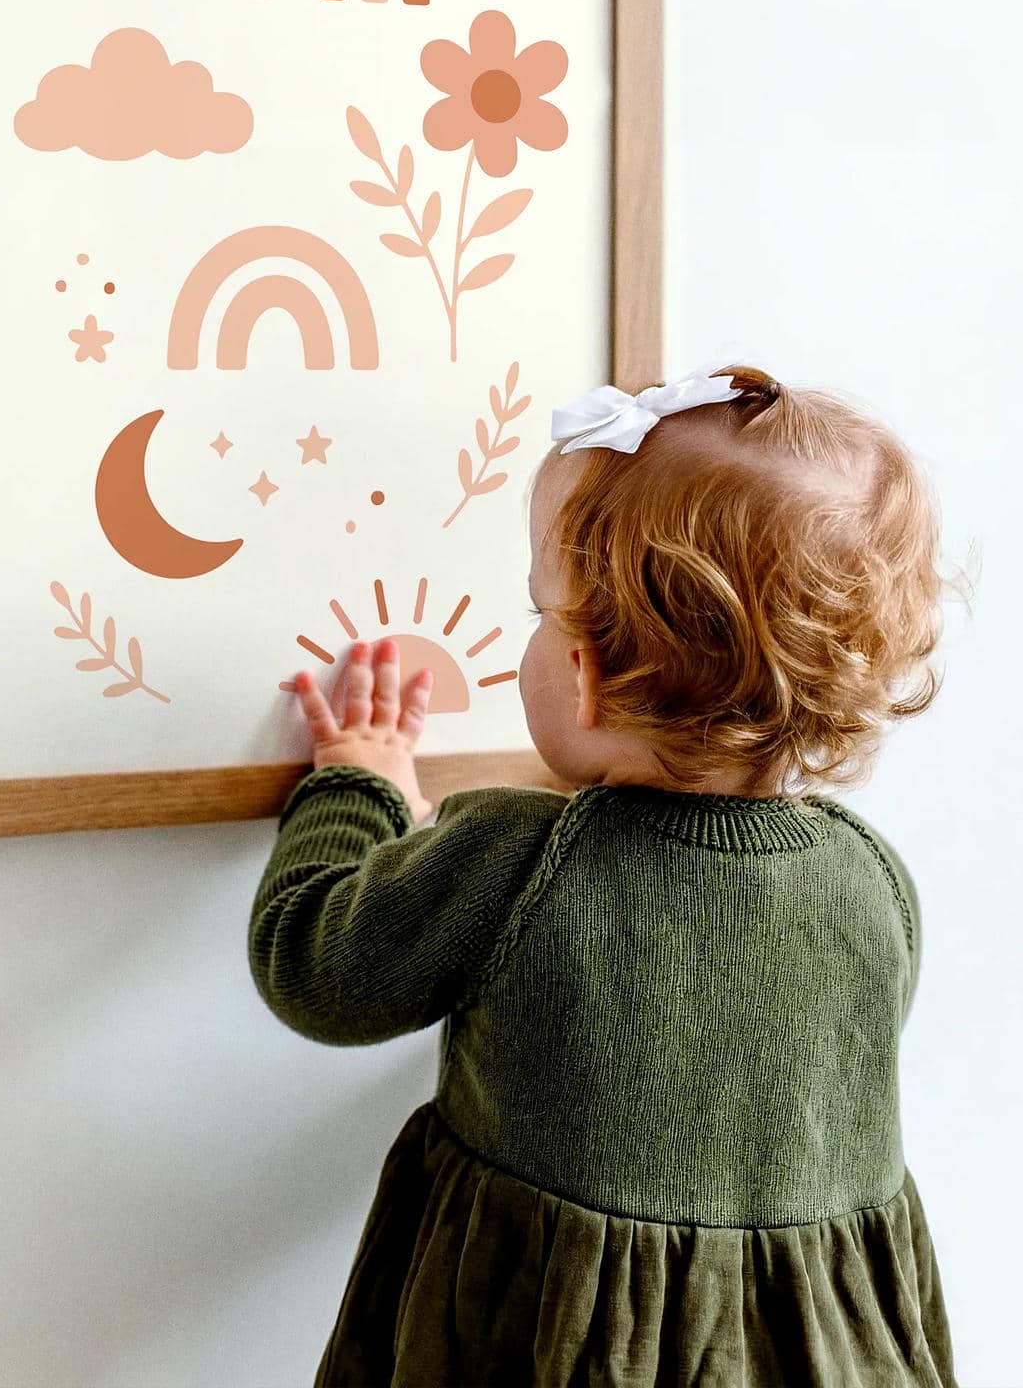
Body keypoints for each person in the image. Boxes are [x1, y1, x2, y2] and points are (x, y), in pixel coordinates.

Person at [247, 364, 958, 1387]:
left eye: (540, 612)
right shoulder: (870, 880)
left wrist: (357, 785)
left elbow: (313, 966)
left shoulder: (513, 857)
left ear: (584, 676)